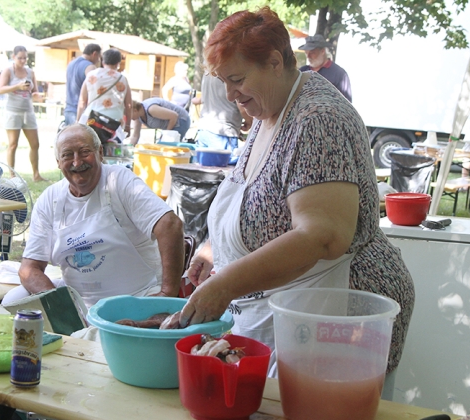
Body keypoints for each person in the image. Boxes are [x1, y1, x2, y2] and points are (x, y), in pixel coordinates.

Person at [177, 8, 413, 392]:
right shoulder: (269, 109)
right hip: (290, 308)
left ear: (274, 62)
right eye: (223, 81)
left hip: (342, 312)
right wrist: (213, 248)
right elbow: (259, 200)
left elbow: (323, 235)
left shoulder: (318, 118)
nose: (229, 94)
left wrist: (226, 285)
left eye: (236, 79)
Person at [3, 123, 184, 310]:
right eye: (67, 155)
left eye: (84, 151)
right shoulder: (50, 199)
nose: (77, 162)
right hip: (79, 302)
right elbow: (28, 269)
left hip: (137, 297)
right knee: (12, 300)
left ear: (100, 153)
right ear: (58, 162)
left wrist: (167, 295)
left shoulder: (118, 180)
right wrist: (64, 306)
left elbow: (170, 226)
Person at [0, 45, 46, 182]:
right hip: (13, 111)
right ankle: (12, 175)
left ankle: (36, 174)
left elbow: (34, 91)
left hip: (28, 111)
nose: (23, 60)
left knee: (35, 144)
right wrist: (17, 86)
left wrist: (37, 96)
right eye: (20, 58)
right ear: (13, 57)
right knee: (13, 144)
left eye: (25, 58)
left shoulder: (30, 73)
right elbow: (0, 89)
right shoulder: (8, 71)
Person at [76, 48, 131, 142]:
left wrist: (78, 121)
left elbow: (82, 100)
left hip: (92, 119)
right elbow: (128, 105)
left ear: (103, 60)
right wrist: (128, 125)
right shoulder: (122, 79)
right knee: (111, 151)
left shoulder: (91, 75)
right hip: (114, 122)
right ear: (118, 63)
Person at [192, 73, 252, 151]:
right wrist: (249, 121)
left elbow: (204, 97)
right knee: (224, 163)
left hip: (203, 130)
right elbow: (241, 104)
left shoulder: (208, 69)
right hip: (223, 132)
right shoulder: (230, 70)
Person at [299, 34, 352, 102]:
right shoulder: (302, 71)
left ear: (322, 51)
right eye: (306, 53)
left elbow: (347, 104)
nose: (308, 56)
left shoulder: (339, 74)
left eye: (312, 53)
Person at [64, 43, 101, 126]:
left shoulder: (71, 63)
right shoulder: (90, 67)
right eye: (99, 57)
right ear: (94, 54)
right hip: (81, 112)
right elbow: (93, 88)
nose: (99, 60)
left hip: (68, 109)